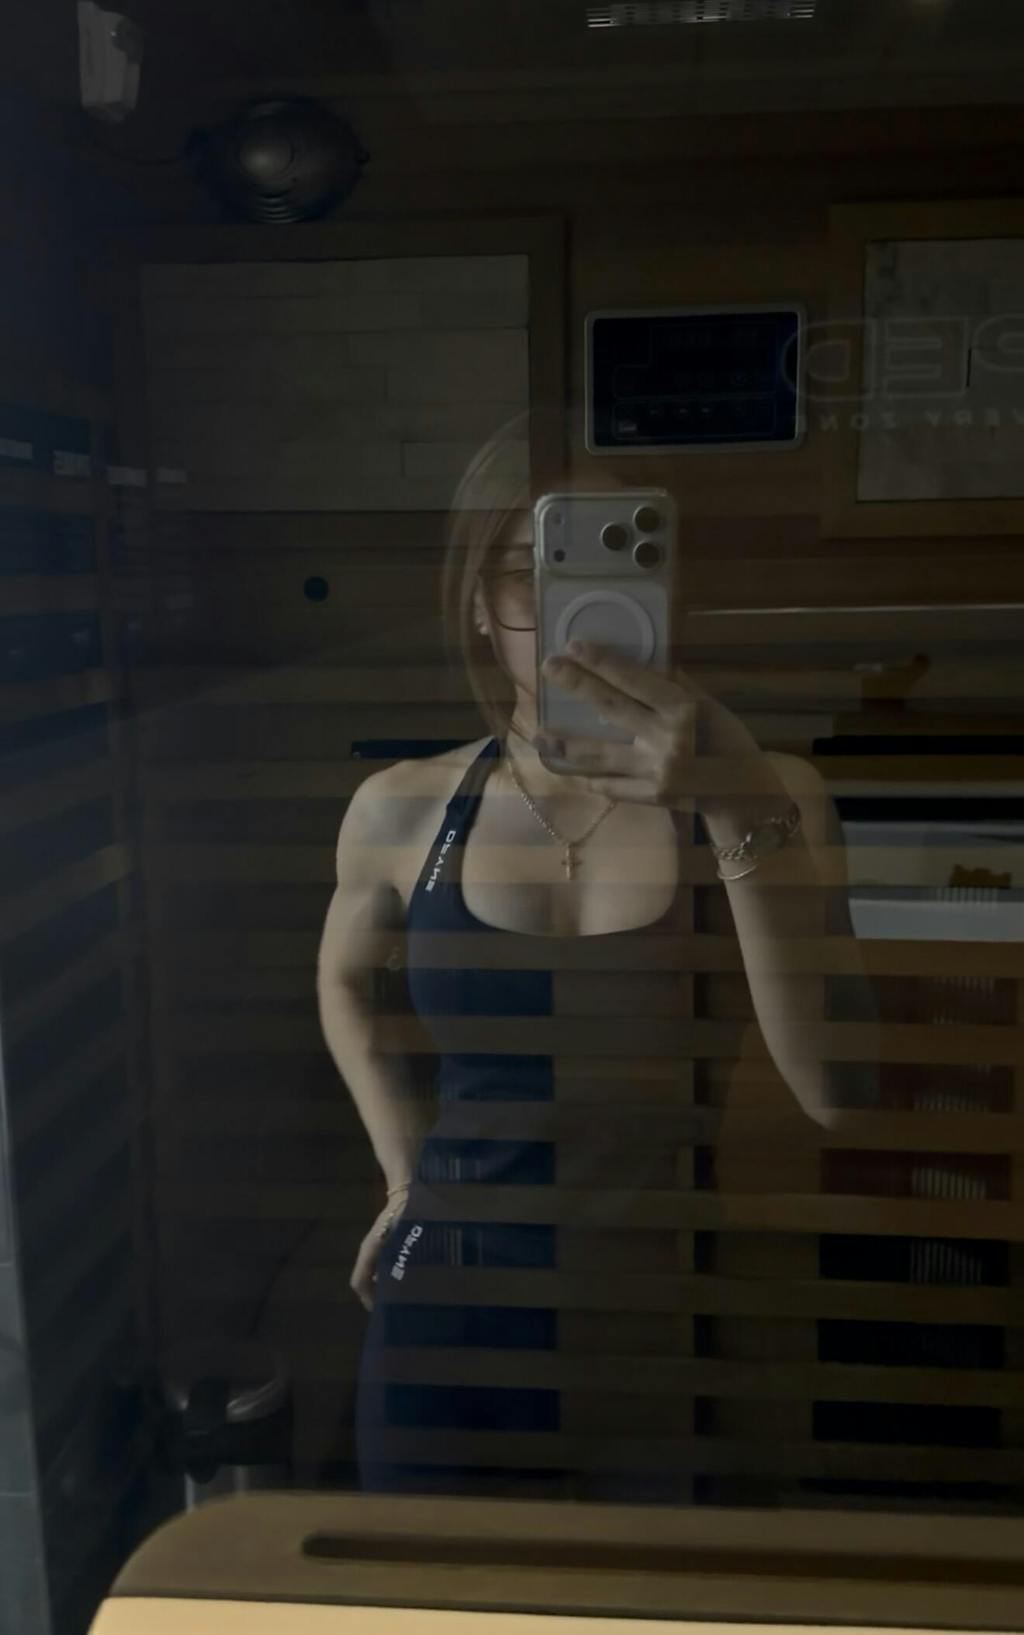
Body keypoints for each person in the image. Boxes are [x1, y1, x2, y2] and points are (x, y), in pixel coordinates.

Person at [316, 413, 873, 1501]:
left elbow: (838, 1092)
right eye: (532, 574)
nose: (577, 609)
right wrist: (401, 1172)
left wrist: (733, 792)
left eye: (621, 562)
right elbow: (342, 980)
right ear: (479, 607)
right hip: (451, 1308)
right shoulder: (401, 806)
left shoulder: (777, 796)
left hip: (660, 1310)